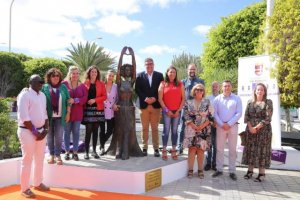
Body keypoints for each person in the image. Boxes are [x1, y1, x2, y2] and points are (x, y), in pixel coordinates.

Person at [106, 46, 144, 159]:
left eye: (129, 70)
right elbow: (117, 68)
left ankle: (126, 151)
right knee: (119, 128)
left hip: (130, 107)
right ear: (123, 71)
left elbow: (135, 69)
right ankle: (119, 149)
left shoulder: (132, 81)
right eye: (125, 69)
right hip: (120, 106)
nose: (127, 71)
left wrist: (132, 56)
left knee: (128, 128)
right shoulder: (119, 81)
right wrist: (122, 55)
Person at [17, 75, 50, 198]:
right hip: (27, 132)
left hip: (41, 132)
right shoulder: (24, 95)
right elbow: (24, 117)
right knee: (27, 160)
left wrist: (46, 129)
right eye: (38, 81)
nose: (41, 83)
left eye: (42, 82)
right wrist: (36, 133)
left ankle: (37, 182)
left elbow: (45, 114)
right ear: (30, 82)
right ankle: (25, 189)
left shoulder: (42, 95)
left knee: (40, 159)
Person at [241, 83, 273, 182]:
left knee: (262, 151)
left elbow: (268, 118)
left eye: (262, 90)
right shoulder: (250, 102)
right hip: (250, 131)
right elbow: (246, 117)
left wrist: (257, 127)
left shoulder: (268, 102)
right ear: (255, 91)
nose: (259, 91)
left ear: (264, 92)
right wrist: (251, 127)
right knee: (251, 149)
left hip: (263, 132)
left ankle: (261, 173)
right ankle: (250, 171)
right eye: (258, 89)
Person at [212, 80, 242, 180]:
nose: (226, 88)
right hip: (220, 127)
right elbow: (214, 113)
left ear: (231, 87)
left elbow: (239, 113)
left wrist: (229, 124)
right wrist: (221, 124)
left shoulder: (237, 99)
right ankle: (219, 169)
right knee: (219, 149)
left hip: (232, 127)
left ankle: (232, 171)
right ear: (222, 88)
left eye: (228, 86)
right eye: (225, 86)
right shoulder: (217, 99)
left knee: (232, 150)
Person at [135, 57, 164, 157]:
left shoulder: (159, 76)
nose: (149, 66)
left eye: (151, 64)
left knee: (155, 128)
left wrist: (155, 98)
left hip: (156, 106)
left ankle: (156, 148)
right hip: (144, 106)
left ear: (154, 64)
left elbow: (161, 89)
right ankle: (145, 148)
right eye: (147, 64)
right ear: (144, 65)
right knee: (144, 128)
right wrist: (145, 98)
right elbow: (137, 89)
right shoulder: (139, 75)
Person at [42, 68, 71, 165]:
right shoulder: (44, 87)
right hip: (48, 117)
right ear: (49, 77)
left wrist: (68, 113)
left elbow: (68, 100)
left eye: (57, 76)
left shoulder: (63, 87)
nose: (55, 77)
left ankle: (58, 155)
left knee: (58, 137)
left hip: (60, 117)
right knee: (50, 137)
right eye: (53, 76)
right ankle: (51, 155)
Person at [183, 84, 213, 179]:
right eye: (197, 89)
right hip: (191, 129)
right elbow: (186, 115)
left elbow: (211, 116)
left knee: (201, 150)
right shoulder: (188, 102)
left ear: (203, 91)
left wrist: (201, 126)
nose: (199, 91)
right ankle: (190, 170)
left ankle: (200, 170)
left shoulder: (207, 102)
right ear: (194, 91)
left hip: (204, 129)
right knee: (191, 150)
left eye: (201, 89)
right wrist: (194, 125)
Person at [158, 65, 185, 161]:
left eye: (174, 72)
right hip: (166, 112)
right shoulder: (163, 83)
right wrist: (166, 110)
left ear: (176, 74)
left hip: (177, 112)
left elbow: (183, 99)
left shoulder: (180, 84)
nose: (172, 74)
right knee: (166, 131)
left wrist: (178, 111)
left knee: (174, 131)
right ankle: (164, 149)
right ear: (167, 73)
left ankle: (173, 149)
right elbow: (160, 99)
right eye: (170, 72)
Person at [62, 66, 88, 161]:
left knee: (76, 132)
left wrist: (76, 100)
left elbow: (85, 98)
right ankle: (67, 152)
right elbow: (60, 96)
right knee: (66, 132)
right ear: (69, 74)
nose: (75, 75)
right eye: (73, 73)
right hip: (66, 113)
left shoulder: (82, 86)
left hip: (77, 113)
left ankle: (75, 153)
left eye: (77, 73)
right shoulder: (64, 84)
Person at [178, 63, 205, 154]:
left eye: (193, 69)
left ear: (196, 70)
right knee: (182, 127)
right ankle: (179, 147)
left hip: (196, 109)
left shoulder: (200, 81)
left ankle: (196, 147)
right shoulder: (182, 82)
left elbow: (203, 95)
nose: (192, 71)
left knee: (197, 128)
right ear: (187, 71)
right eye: (190, 69)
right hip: (185, 108)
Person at [82, 65, 107, 159]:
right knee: (88, 131)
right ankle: (87, 152)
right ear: (89, 73)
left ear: (97, 74)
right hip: (88, 110)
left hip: (98, 110)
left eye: (95, 72)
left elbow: (105, 96)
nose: (94, 73)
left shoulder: (101, 84)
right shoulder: (85, 83)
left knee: (96, 131)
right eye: (92, 72)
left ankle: (94, 151)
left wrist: (95, 100)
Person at [102, 69, 118, 155]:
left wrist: (116, 104)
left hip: (111, 111)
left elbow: (118, 98)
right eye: (109, 75)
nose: (111, 77)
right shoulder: (101, 85)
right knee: (101, 130)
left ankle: (101, 142)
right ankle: (102, 147)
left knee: (110, 130)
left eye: (112, 76)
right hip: (101, 110)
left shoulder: (116, 86)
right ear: (106, 76)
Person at [204, 81, 219, 171]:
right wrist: (211, 121)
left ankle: (215, 164)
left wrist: (217, 122)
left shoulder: (222, 98)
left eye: (216, 87)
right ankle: (208, 163)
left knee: (216, 145)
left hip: (218, 125)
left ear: (219, 88)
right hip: (209, 124)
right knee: (209, 144)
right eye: (213, 87)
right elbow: (206, 111)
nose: (215, 88)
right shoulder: (208, 98)